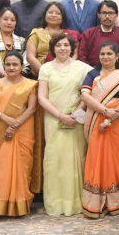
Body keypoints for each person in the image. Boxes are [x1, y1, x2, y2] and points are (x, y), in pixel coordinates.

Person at [80, 42, 119, 218]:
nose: (105, 57)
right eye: (102, 54)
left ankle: (115, 202)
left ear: (117, 56)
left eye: (109, 54)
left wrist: (114, 115)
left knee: (117, 161)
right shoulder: (92, 74)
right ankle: (95, 204)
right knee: (96, 159)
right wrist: (105, 111)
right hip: (97, 120)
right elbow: (84, 95)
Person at [37, 33, 92, 216]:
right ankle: (56, 204)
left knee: (76, 159)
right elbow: (42, 97)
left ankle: (76, 204)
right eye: (59, 45)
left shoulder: (83, 68)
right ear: (53, 48)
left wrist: (76, 112)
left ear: (72, 48)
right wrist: (60, 116)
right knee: (54, 160)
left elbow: (89, 92)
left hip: (76, 120)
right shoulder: (45, 69)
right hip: (53, 120)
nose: (62, 48)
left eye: (66, 45)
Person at [0, 51, 41, 217]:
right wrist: (7, 120)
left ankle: (19, 205)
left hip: (23, 128)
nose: (11, 67)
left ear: (22, 66)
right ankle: (0, 206)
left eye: (15, 64)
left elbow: (31, 108)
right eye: (8, 64)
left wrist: (15, 124)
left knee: (22, 166)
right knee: (1, 167)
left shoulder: (30, 84)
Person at [26, 2, 81, 77]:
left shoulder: (69, 34)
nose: (53, 15)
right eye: (50, 12)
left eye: (58, 13)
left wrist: (64, 73)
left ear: (63, 17)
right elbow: (30, 57)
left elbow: (75, 55)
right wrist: (44, 73)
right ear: (45, 15)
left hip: (65, 75)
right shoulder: (36, 33)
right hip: (40, 74)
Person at [79, 0, 119, 67]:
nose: (107, 16)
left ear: (116, 15)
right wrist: (91, 72)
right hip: (92, 72)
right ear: (99, 15)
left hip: (117, 72)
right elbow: (82, 56)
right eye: (104, 13)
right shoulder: (89, 34)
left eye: (110, 13)